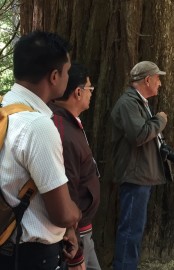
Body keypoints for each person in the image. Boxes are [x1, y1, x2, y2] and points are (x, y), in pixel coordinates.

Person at [0, 31, 82, 270]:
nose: (68, 76)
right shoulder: (38, 126)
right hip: (31, 257)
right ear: (54, 76)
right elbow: (62, 214)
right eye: (67, 71)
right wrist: (75, 216)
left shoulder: (6, 109)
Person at [111, 61, 169, 270]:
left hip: (140, 173)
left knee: (134, 228)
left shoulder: (138, 101)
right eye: (157, 78)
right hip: (134, 175)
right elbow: (140, 134)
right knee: (130, 229)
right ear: (147, 80)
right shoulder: (128, 102)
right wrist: (160, 120)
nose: (160, 83)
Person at [49, 62, 101, 270]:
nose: (91, 94)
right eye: (90, 89)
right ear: (78, 92)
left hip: (83, 229)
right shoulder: (61, 129)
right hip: (75, 233)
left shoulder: (70, 123)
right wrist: (76, 249)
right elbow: (67, 187)